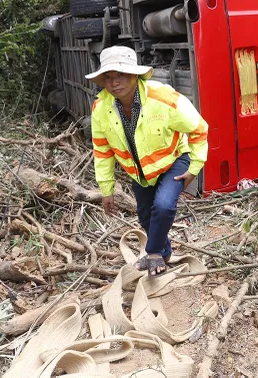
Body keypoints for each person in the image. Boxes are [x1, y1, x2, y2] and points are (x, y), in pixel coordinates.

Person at [86, 45, 208, 277]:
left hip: (174, 160)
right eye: (109, 77)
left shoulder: (163, 97)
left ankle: (152, 252)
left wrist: (195, 167)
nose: (114, 83)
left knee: (163, 206)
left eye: (120, 75)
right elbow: (102, 151)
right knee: (145, 217)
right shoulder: (101, 107)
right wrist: (106, 189)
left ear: (135, 75)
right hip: (139, 172)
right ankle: (164, 252)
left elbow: (199, 129)